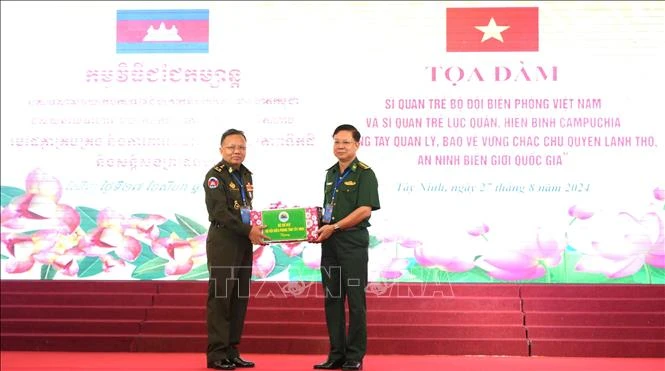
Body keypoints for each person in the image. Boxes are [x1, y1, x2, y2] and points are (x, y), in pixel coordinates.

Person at [313, 124, 380, 371]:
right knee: (332, 299)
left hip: (352, 243)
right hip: (330, 244)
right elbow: (328, 210)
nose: (340, 146)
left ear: (356, 145)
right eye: (336, 142)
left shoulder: (365, 173)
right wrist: (314, 226)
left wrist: (336, 226)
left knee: (355, 300)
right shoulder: (330, 173)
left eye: (346, 142)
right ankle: (336, 355)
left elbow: (364, 209)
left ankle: (354, 356)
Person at [204, 128, 269, 370]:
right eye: (231, 147)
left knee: (239, 297)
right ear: (221, 149)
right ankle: (217, 354)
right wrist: (248, 230)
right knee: (221, 297)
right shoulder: (215, 176)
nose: (236, 151)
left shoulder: (246, 175)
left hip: (242, 242)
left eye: (241, 147)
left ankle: (232, 350)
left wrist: (257, 228)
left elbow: (246, 210)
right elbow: (219, 212)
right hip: (223, 241)